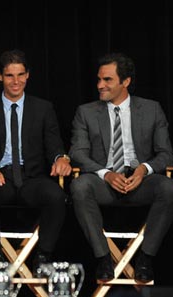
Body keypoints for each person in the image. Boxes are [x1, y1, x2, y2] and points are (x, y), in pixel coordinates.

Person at [69, 52, 173, 283]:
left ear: (125, 82)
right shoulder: (85, 112)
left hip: (140, 182)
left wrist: (143, 169)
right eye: (99, 79)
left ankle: (145, 258)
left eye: (107, 80)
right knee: (79, 186)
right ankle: (104, 258)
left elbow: (166, 153)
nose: (100, 85)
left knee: (168, 188)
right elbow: (77, 153)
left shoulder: (152, 109)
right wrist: (105, 174)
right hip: (103, 182)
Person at [0, 49, 72, 269]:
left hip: (32, 176)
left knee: (56, 195)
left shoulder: (43, 108)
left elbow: (55, 147)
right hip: (0, 176)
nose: (16, 81)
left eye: (20, 75)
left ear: (27, 75)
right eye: (9, 75)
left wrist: (61, 158)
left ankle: (43, 257)